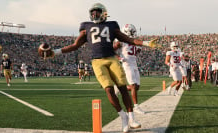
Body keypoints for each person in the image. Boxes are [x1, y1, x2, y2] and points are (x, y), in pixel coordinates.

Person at [38, 3, 159, 132]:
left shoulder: (112, 25)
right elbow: (75, 45)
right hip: (97, 61)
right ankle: (123, 117)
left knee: (123, 88)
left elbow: (127, 39)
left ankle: (132, 118)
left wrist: (145, 43)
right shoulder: (86, 27)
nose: (94, 14)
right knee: (108, 89)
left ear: (104, 13)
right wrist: (55, 52)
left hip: (112, 59)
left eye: (97, 12)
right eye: (93, 12)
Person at [113, 24, 145, 114]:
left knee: (137, 87)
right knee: (134, 85)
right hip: (127, 64)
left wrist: (139, 49)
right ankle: (136, 107)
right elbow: (111, 50)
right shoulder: (121, 41)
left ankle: (119, 88)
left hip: (134, 64)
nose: (133, 33)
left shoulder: (134, 41)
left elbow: (135, 51)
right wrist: (119, 58)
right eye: (132, 31)